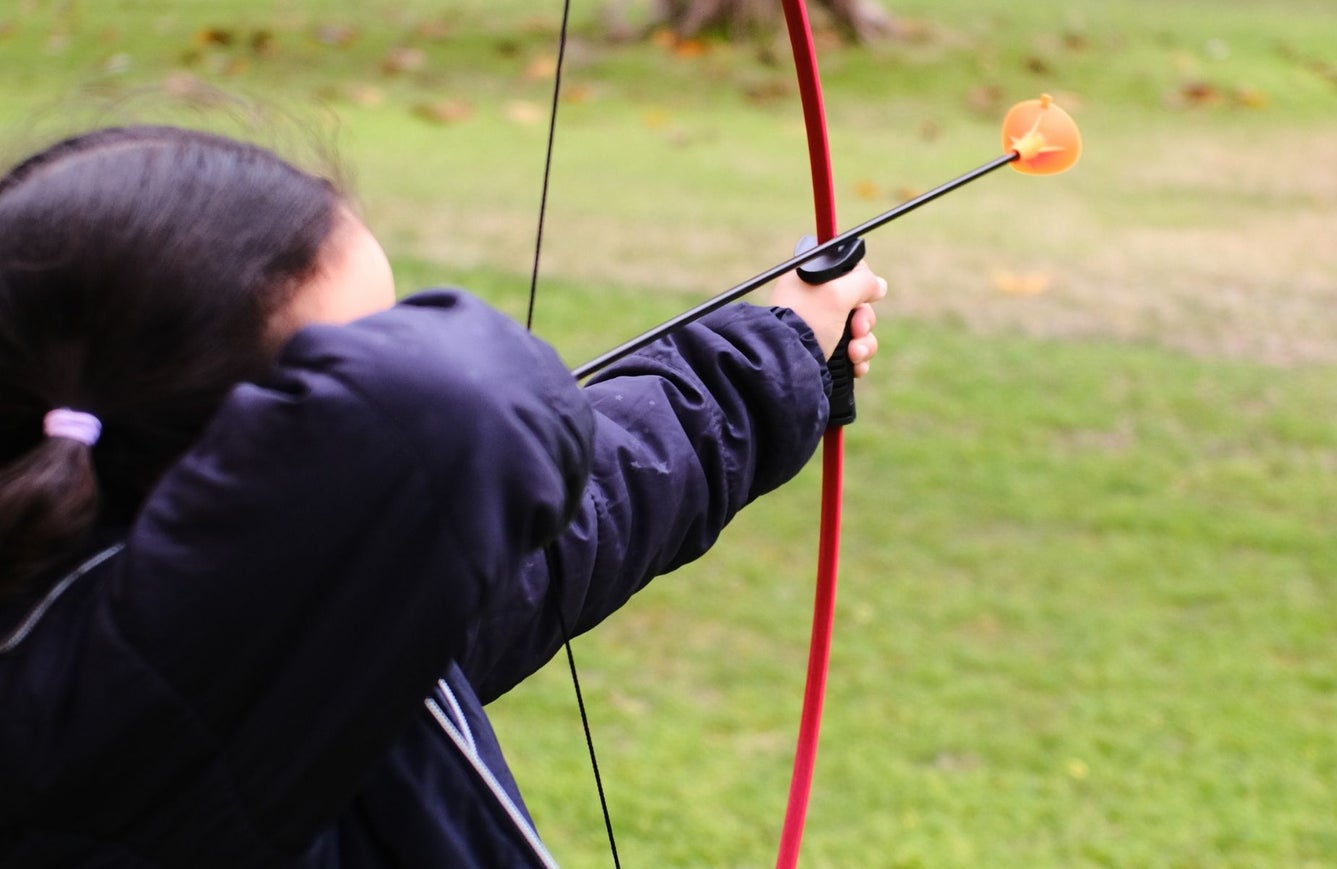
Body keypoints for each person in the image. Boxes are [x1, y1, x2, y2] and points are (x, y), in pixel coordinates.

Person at [0, 125, 885, 867]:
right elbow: (455, 404)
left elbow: (584, 518)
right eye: (353, 360)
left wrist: (778, 349)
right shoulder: (106, 716)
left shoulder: (305, 620)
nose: (401, 350)